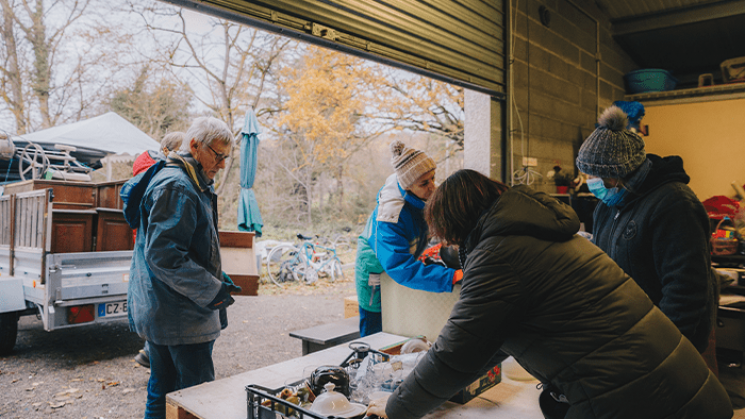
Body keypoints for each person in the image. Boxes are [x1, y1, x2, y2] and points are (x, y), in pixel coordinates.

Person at [369, 169, 732, 419]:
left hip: (640, 402)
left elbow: (454, 356)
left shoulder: (499, 257)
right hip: (680, 387)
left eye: (448, 236)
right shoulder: (544, 234)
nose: (449, 244)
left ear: (458, 225)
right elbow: (482, 343)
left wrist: (396, 409)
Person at [575, 105, 717, 371]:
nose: (590, 182)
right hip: (629, 336)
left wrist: (659, 350)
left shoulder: (674, 203)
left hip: (666, 346)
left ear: (617, 173)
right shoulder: (608, 205)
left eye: (594, 175)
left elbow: (685, 290)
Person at [127, 117, 240, 419]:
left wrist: (217, 274)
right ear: (194, 146)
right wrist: (211, 289)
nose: (223, 164)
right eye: (218, 155)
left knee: (161, 388)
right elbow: (165, 256)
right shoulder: (177, 186)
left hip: (166, 311)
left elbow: (186, 245)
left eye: (226, 158)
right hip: (180, 316)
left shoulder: (187, 179)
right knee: (197, 398)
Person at [355, 140, 462, 337]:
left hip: (400, 259)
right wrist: (451, 276)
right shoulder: (389, 217)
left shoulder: (421, 195)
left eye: (433, 178)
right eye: (424, 183)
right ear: (408, 186)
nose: (433, 186)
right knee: (375, 329)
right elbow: (400, 268)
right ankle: (366, 363)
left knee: (399, 320)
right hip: (374, 269)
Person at [131, 131, 186, 369]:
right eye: (181, 150)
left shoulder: (157, 171)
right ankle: (151, 350)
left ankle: (151, 352)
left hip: (144, 242)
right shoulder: (164, 178)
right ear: (166, 151)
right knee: (158, 297)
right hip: (146, 244)